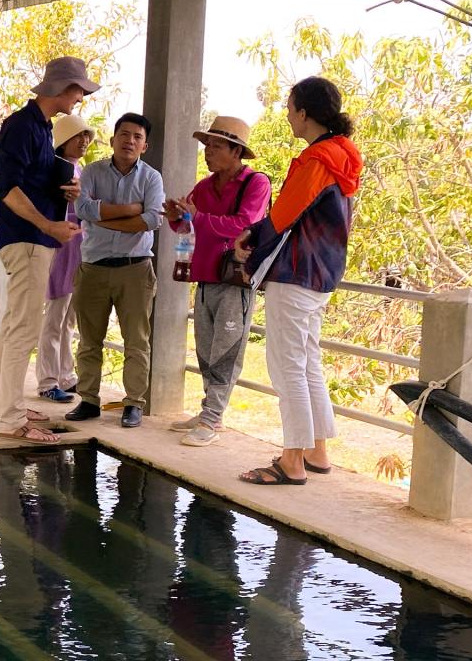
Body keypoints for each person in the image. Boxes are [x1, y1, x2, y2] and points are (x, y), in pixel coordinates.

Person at [235, 76, 363, 485]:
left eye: (290, 108)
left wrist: (249, 248)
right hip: (322, 275)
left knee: (287, 365)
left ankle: (291, 460)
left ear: (305, 113)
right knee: (308, 362)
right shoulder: (343, 158)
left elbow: (283, 215)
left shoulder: (318, 160)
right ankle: (317, 451)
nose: (287, 115)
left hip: (296, 272)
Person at [0, 56, 99, 445]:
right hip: (28, 240)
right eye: (78, 91)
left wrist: (64, 192)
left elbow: (31, 183)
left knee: (13, 326)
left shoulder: (41, 129)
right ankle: (12, 419)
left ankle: (3, 406)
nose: (81, 98)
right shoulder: (21, 126)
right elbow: (10, 190)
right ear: (61, 88)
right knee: (24, 329)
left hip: (33, 239)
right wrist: (49, 224)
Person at [165, 116, 272, 446]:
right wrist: (176, 217)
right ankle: (208, 409)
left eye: (215, 145)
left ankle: (213, 418)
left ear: (235, 150)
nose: (207, 152)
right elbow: (187, 226)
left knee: (227, 350)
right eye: (206, 145)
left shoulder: (256, 183)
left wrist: (197, 216)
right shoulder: (203, 186)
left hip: (235, 280)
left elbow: (244, 225)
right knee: (207, 349)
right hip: (206, 277)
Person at [65, 113, 164, 429]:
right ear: (112, 139)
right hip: (93, 268)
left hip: (135, 269)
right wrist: (130, 211)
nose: (129, 140)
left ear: (144, 145)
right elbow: (83, 210)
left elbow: (152, 220)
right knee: (88, 340)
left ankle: (134, 403)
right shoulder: (92, 172)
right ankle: (89, 400)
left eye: (137, 136)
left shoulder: (151, 178)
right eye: (124, 134)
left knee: (137, 341)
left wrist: (103, 218)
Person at [35, 114, 95, 404]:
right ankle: (47, 380)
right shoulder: (57, 169)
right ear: (63, 140)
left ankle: (66, 375)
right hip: (63, 249)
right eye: (78, 136)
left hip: (79, 249)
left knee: (69, 317)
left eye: (87, 136)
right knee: (56, 318)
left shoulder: (77, 168)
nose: (84, 141)